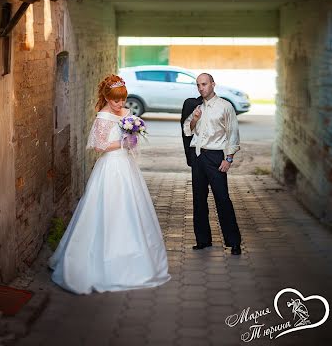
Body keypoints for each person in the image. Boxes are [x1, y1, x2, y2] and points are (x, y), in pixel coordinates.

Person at [49, 74, 170, 294]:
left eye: (122, 99)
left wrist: (133, 137)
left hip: (127, 166)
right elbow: (99, 146)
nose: (120, 104)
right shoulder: (103, 117)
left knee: (131, 209)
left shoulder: (126, 113)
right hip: (110, 167)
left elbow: (132, 142)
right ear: (106, 97)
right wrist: (123, 141)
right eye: (115, 100)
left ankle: (134, 258)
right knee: (109, 209)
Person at [183, 73, 242, 255]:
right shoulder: (197, 107)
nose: (201, 88)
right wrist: (194, 119)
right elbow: (187, 130)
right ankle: (203, 240)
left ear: (213, 84)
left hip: (216, 158)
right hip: (199, 157)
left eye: (204, 84)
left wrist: (228, 158)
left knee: (222, 199)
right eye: (198, 85)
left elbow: (232, 133)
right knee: (199, 200)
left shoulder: (225, 106)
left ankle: (234, 242)